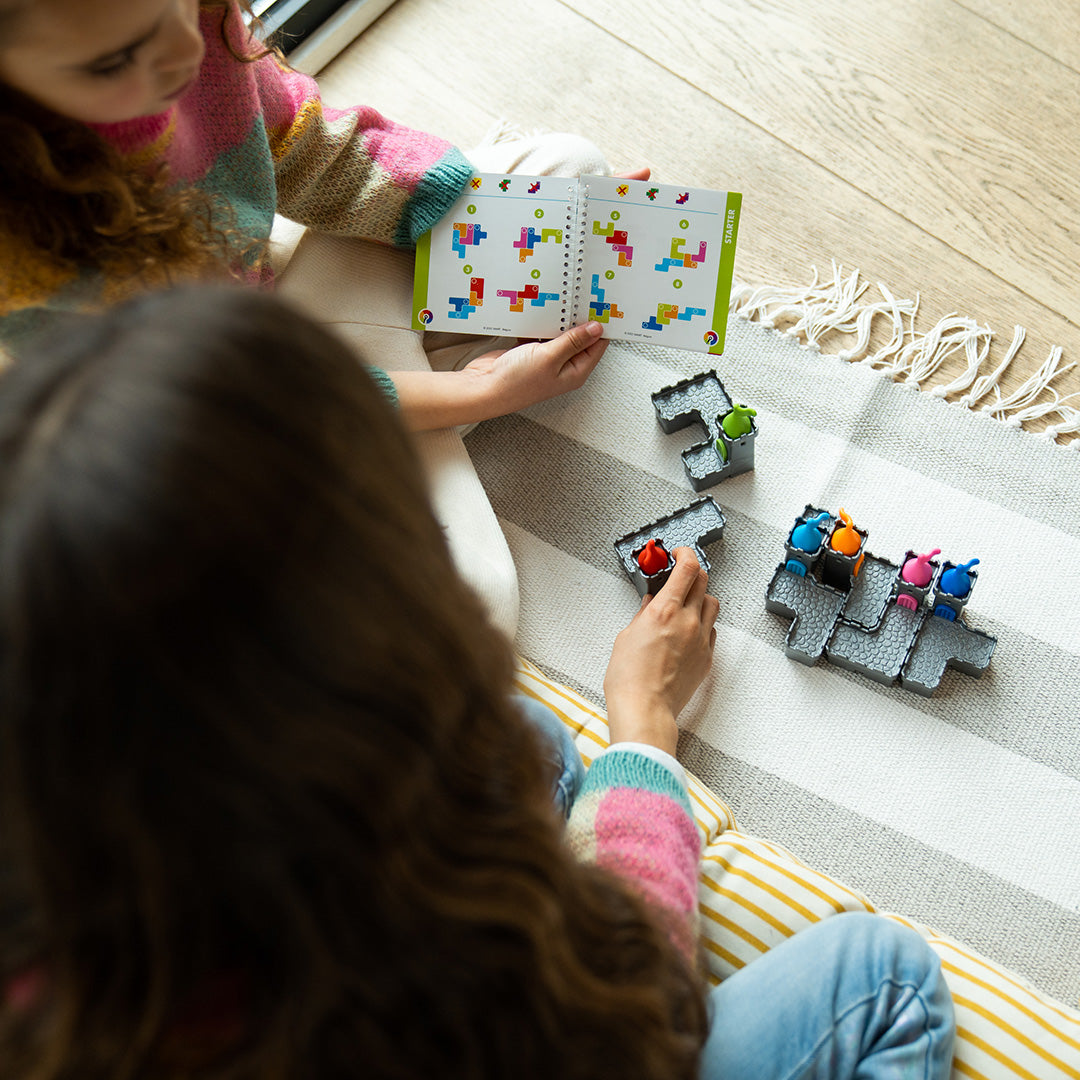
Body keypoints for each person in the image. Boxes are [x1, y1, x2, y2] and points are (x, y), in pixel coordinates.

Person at [0, 286, 955, 1079]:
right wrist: (644, 738)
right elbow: (634, 1021)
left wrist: (474, 391)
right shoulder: (380, 952)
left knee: (528, 743)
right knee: (883, 974)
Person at [0, 0, 634, 635]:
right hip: (228, 421)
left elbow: (307, 149)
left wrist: (516, 216)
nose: (182, 54)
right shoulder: (21, 261)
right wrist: (479, 391)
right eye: (115, 61)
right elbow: (227, 404)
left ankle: (402, 415)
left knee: (569, 169)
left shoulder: (194, 28)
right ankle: (406, 411)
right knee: (475, 606)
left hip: (271, 330)